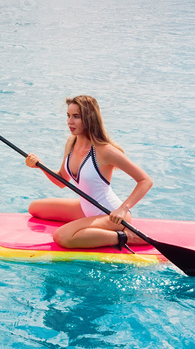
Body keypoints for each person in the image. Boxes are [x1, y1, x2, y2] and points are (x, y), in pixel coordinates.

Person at [25, 95, 153, 250]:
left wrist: (123, 209)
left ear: (89, 118)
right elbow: (61, 181)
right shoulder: (72, 142)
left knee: (62, 236)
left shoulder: (105, 151)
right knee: (35, 208)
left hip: (110, 214)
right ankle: (90, 227)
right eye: (68, 116)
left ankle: (126, 237)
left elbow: (145, 180)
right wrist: (39, 165)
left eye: (76, 117)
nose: (69, 122)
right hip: (86, 208)